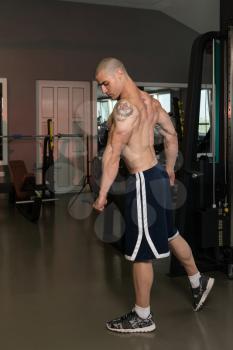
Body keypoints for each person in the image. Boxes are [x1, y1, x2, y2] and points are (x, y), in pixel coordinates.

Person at [93, 57, 214, 333]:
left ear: (120, 73)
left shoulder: (125, 109)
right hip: (157, 175)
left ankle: (142, 316)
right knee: (171, 234)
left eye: (105, 83)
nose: (104, 90)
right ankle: (198, 281)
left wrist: (102, 195)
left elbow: (112, 154)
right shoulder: (151, 103)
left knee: (141, 254)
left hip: (143, 182)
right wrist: (169, 168)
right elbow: (171, 136)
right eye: (100, 85)